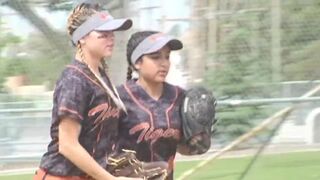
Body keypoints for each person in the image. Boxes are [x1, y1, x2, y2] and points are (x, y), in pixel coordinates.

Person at [33, 3, 141, 180]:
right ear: (82, 38)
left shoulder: (101, 76)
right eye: (103, 34)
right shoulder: (74, 80)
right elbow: (67, 145)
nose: (111, 38)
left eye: (112, 33)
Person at [116, 31, 210, 179]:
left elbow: (182, 148)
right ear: (137, 63)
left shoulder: (180, 98)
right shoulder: (117, 98)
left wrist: (196, 142)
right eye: (155, 57)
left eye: (167, 56)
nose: (164, 63)